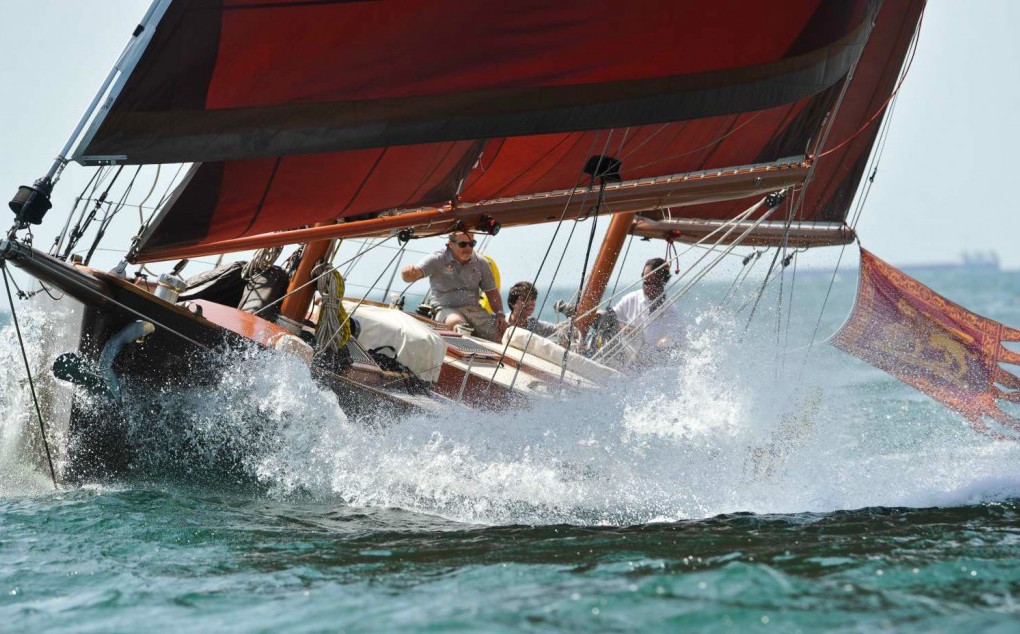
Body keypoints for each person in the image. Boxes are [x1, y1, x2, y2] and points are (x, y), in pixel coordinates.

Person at [401, 231, 506, 340]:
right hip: (445, 309)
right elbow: (411, 276)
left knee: (500, 335)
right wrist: (407, 273)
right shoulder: (437, 258)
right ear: (450, 244)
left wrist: (500, 313)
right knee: (457, 324)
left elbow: (491, 292)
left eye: (472, 244)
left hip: (473, 310)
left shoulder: (481, 263)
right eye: (463, 244)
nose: (468, 248)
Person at [611, 257, 681, 350]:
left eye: (655, 283)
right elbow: (609, 319)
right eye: (646, 282)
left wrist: (665, 342)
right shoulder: (630, 299)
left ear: (663, 282)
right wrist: (623, 328)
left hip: (655, 358)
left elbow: (676, 342)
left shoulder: (672, 313)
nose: (650, 288)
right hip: (624, 356)